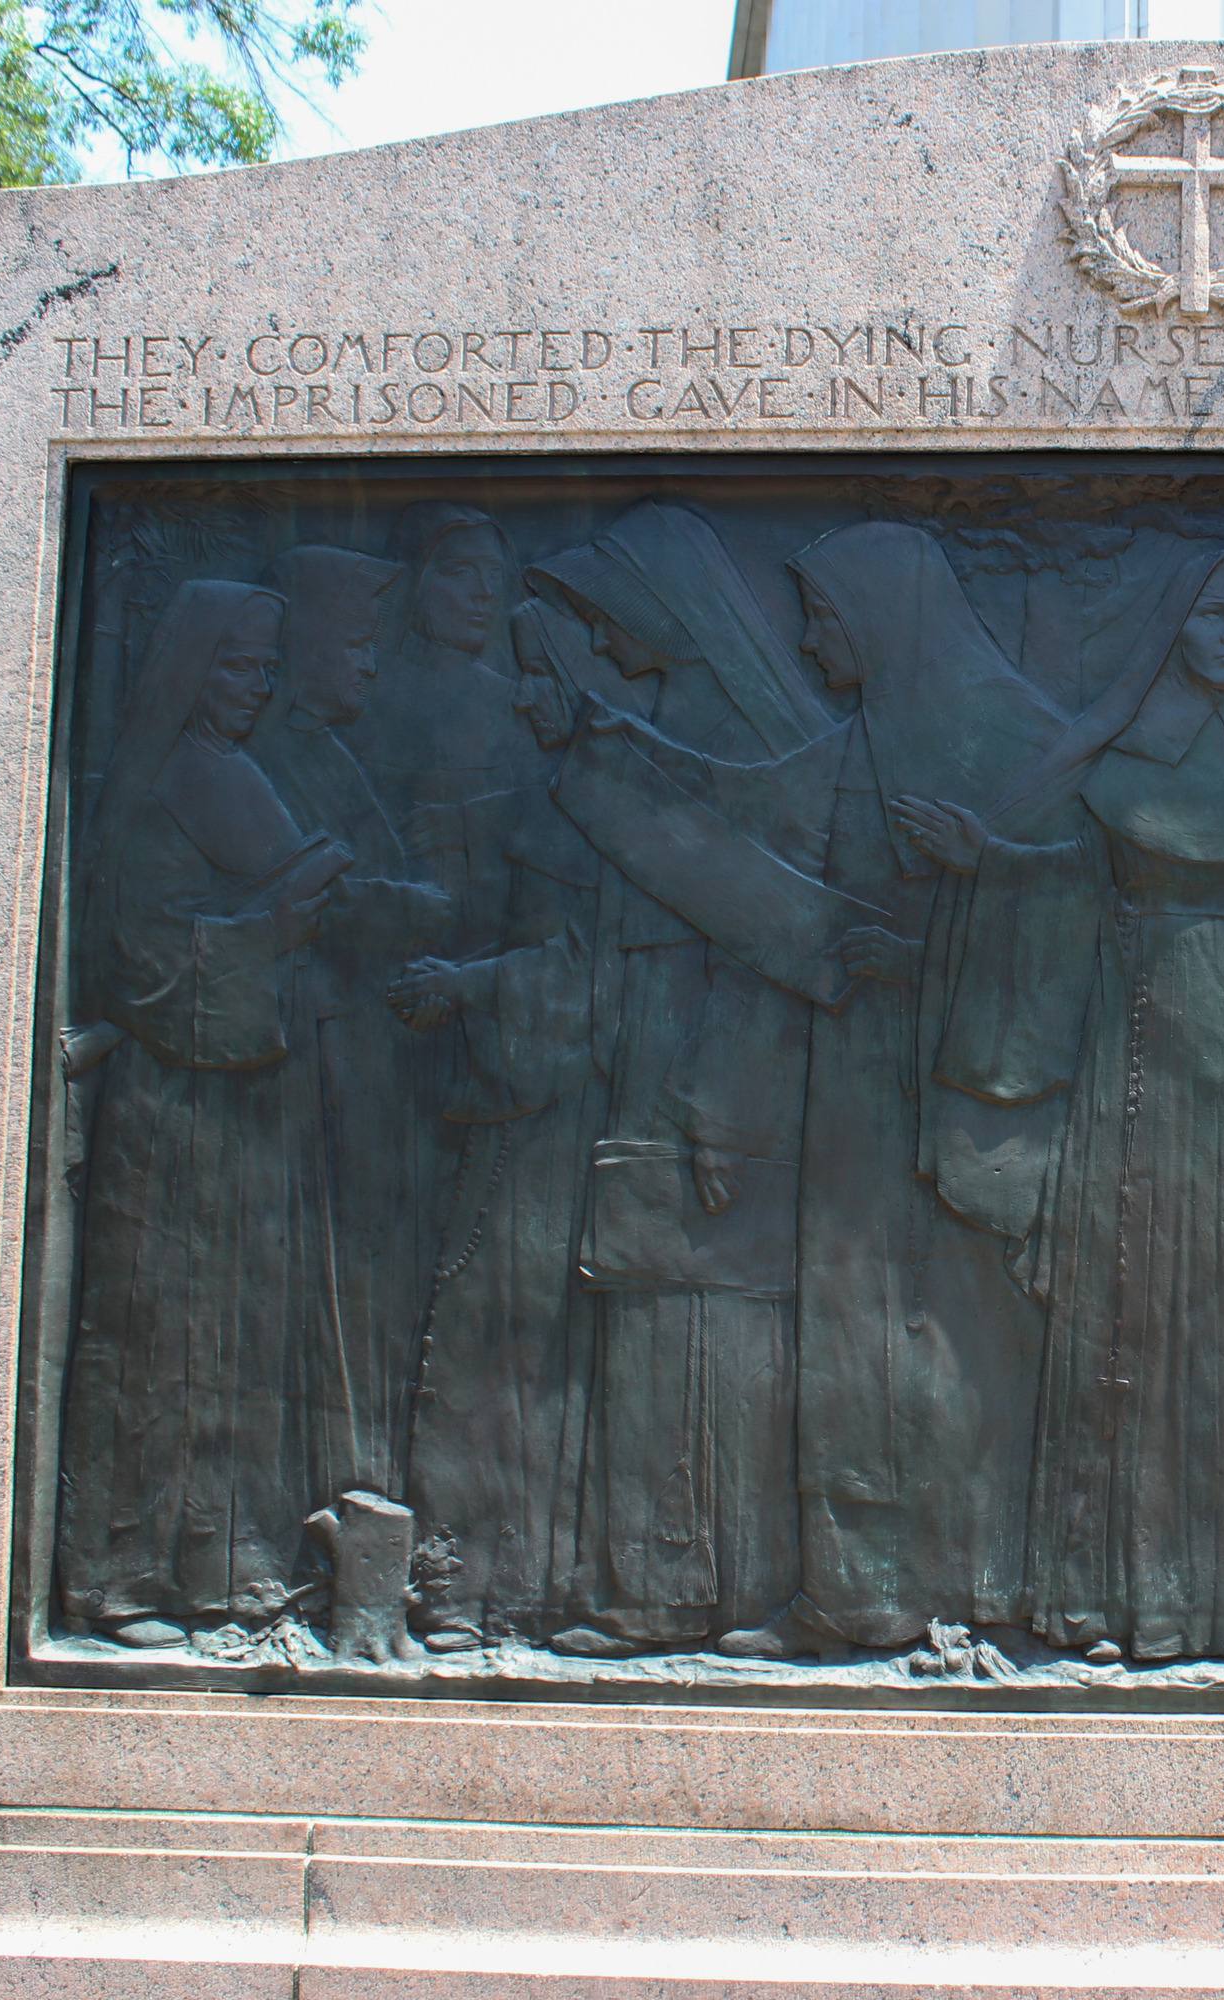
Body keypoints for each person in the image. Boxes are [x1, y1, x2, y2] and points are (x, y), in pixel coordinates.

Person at [899, 549, 1224, 1714]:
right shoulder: (1123, 759)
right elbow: (1072, 883)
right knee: (1128, 1306)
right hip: (1131, 1060)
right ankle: (1119, 1596)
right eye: (1211, 613)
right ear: (1176, 628)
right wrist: (986, 860)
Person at [553, 520, 1075, 1663]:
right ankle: (855, 1590)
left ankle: (990, 1580)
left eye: (826, 615)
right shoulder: (862, 739)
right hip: (856, 1085)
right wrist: (599, 757)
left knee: (962, 1339)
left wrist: (976, 889)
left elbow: (1093, 907)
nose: (806, 637)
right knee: (855, 1332)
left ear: (889, 617)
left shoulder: (1018, 740)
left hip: (971, 1088)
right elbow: (752, 830)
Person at [398, 500, 836, 1653]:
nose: (542, 684)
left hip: (700, 1097)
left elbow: (762, 942)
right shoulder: (628, 759)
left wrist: (713, 1099)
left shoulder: (693, 754)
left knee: (689, 1330)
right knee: (645, 1329)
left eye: (587, 633)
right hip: (642, 1079)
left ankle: (684, 1592)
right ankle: (647, 1587)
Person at [53, 582, 354, 1644]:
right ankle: (123, 1574)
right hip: (174, 1100)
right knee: (161, 1326)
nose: (256, 686)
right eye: (237, 666)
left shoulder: (240, 772)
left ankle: (226, 1561)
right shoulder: (162, 785)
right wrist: (265, 929)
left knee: (242, 1330)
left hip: (250, 1092)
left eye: (268, 669)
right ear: (190, 670)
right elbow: (134, 960)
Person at [247, 546, 452, 1517]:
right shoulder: (277, 751)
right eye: (357, 644)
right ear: (309, 647)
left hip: (370, 1048)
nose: (371, 665)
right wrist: (423, 902)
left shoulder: (327, 747)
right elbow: (329, 895)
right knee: (337, 1274)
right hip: (317, 1048)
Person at [343, 502, 543, 958]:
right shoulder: (361, 703)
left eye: (494, 572)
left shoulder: (515, 704)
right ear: (413, 581)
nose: (486, 592)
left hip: (496, 958)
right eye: (461, 572)